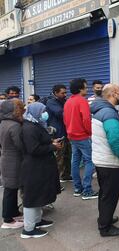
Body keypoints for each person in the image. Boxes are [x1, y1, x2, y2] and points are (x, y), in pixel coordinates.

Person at [91, 84, 119, 237]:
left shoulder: (100, 110)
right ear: (114, 94)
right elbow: (115, 140)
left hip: (102, 160)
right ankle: (105, 227)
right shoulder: (109, 113)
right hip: (110, 163)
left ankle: (104, 218)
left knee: (105, 193)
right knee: (110, 195)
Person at [21, 102, 61, 238]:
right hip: (34, 167)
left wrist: (51, 143)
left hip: (41, 166)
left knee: (39, 194)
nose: (45, 113)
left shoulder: (36, 124)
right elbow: (33, 149)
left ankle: (37, 221)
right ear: (36, 112)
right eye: (43, 111)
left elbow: (40, 142)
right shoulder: (29, 128)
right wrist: (52, 147)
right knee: (32, 197)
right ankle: (28, 229)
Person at [63, 78, 98, 200]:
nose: (87, 89)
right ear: (80, 89)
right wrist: (89, 132)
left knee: (75, 162)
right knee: (89, 161)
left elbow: (65, 120)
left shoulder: (68, 102)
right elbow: (86, 119)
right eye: (85, 87)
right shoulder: (82, 101)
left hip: (71, 136)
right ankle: (87, 190)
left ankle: (78, 188)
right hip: (82, 136)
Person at [0, 99, 24, 229]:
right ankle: (8, 220)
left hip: (6, 158)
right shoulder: (14, 125)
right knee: (10, 190)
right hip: (13, 161)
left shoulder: (4, 122)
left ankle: (14, 213)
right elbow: (20, 145)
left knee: (11, 188)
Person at [46, 85, 72, 182]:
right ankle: (56, 179)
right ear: (56, 93)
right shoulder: (51, 102)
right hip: (58, 133)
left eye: (66, 92)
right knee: (59, 157)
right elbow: (60, 113)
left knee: (67, 155)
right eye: (63, 93)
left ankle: (66, 175)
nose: (65, 95)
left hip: (66, 132)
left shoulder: (64, 101)